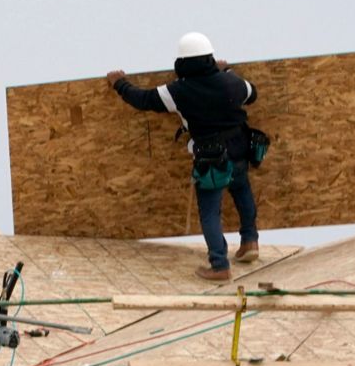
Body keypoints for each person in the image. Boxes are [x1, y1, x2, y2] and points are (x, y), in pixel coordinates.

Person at [107, 32, 260, 281]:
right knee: (242, 191)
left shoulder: (178, 91)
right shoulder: (231, 83)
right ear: (209, 58)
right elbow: (252, 94)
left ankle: (220, 265)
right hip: (240, 147)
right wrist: (228, 71)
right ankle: (250, 242)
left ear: (181, 64)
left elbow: (144, 100)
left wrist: (119, 83)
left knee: (210, 211)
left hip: (211, 157)